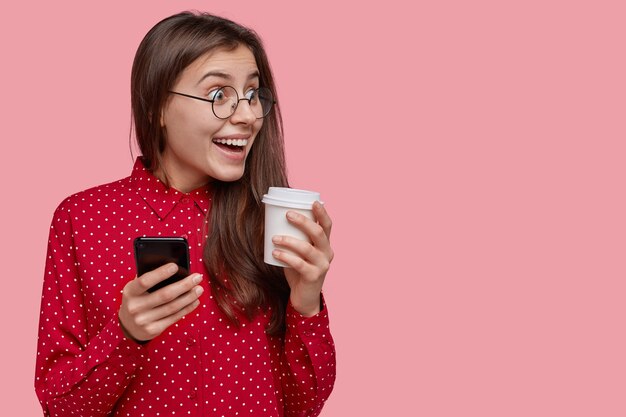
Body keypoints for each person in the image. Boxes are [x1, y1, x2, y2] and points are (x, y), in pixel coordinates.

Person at [34, 11, 336, 417]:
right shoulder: (82, 218)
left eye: (252, 94)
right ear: (158, 106)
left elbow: (303, 407)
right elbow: (60, 407)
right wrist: (125, 336)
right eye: (218, 95)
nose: (247, 117)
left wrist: (306, 303)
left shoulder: (270, 222)